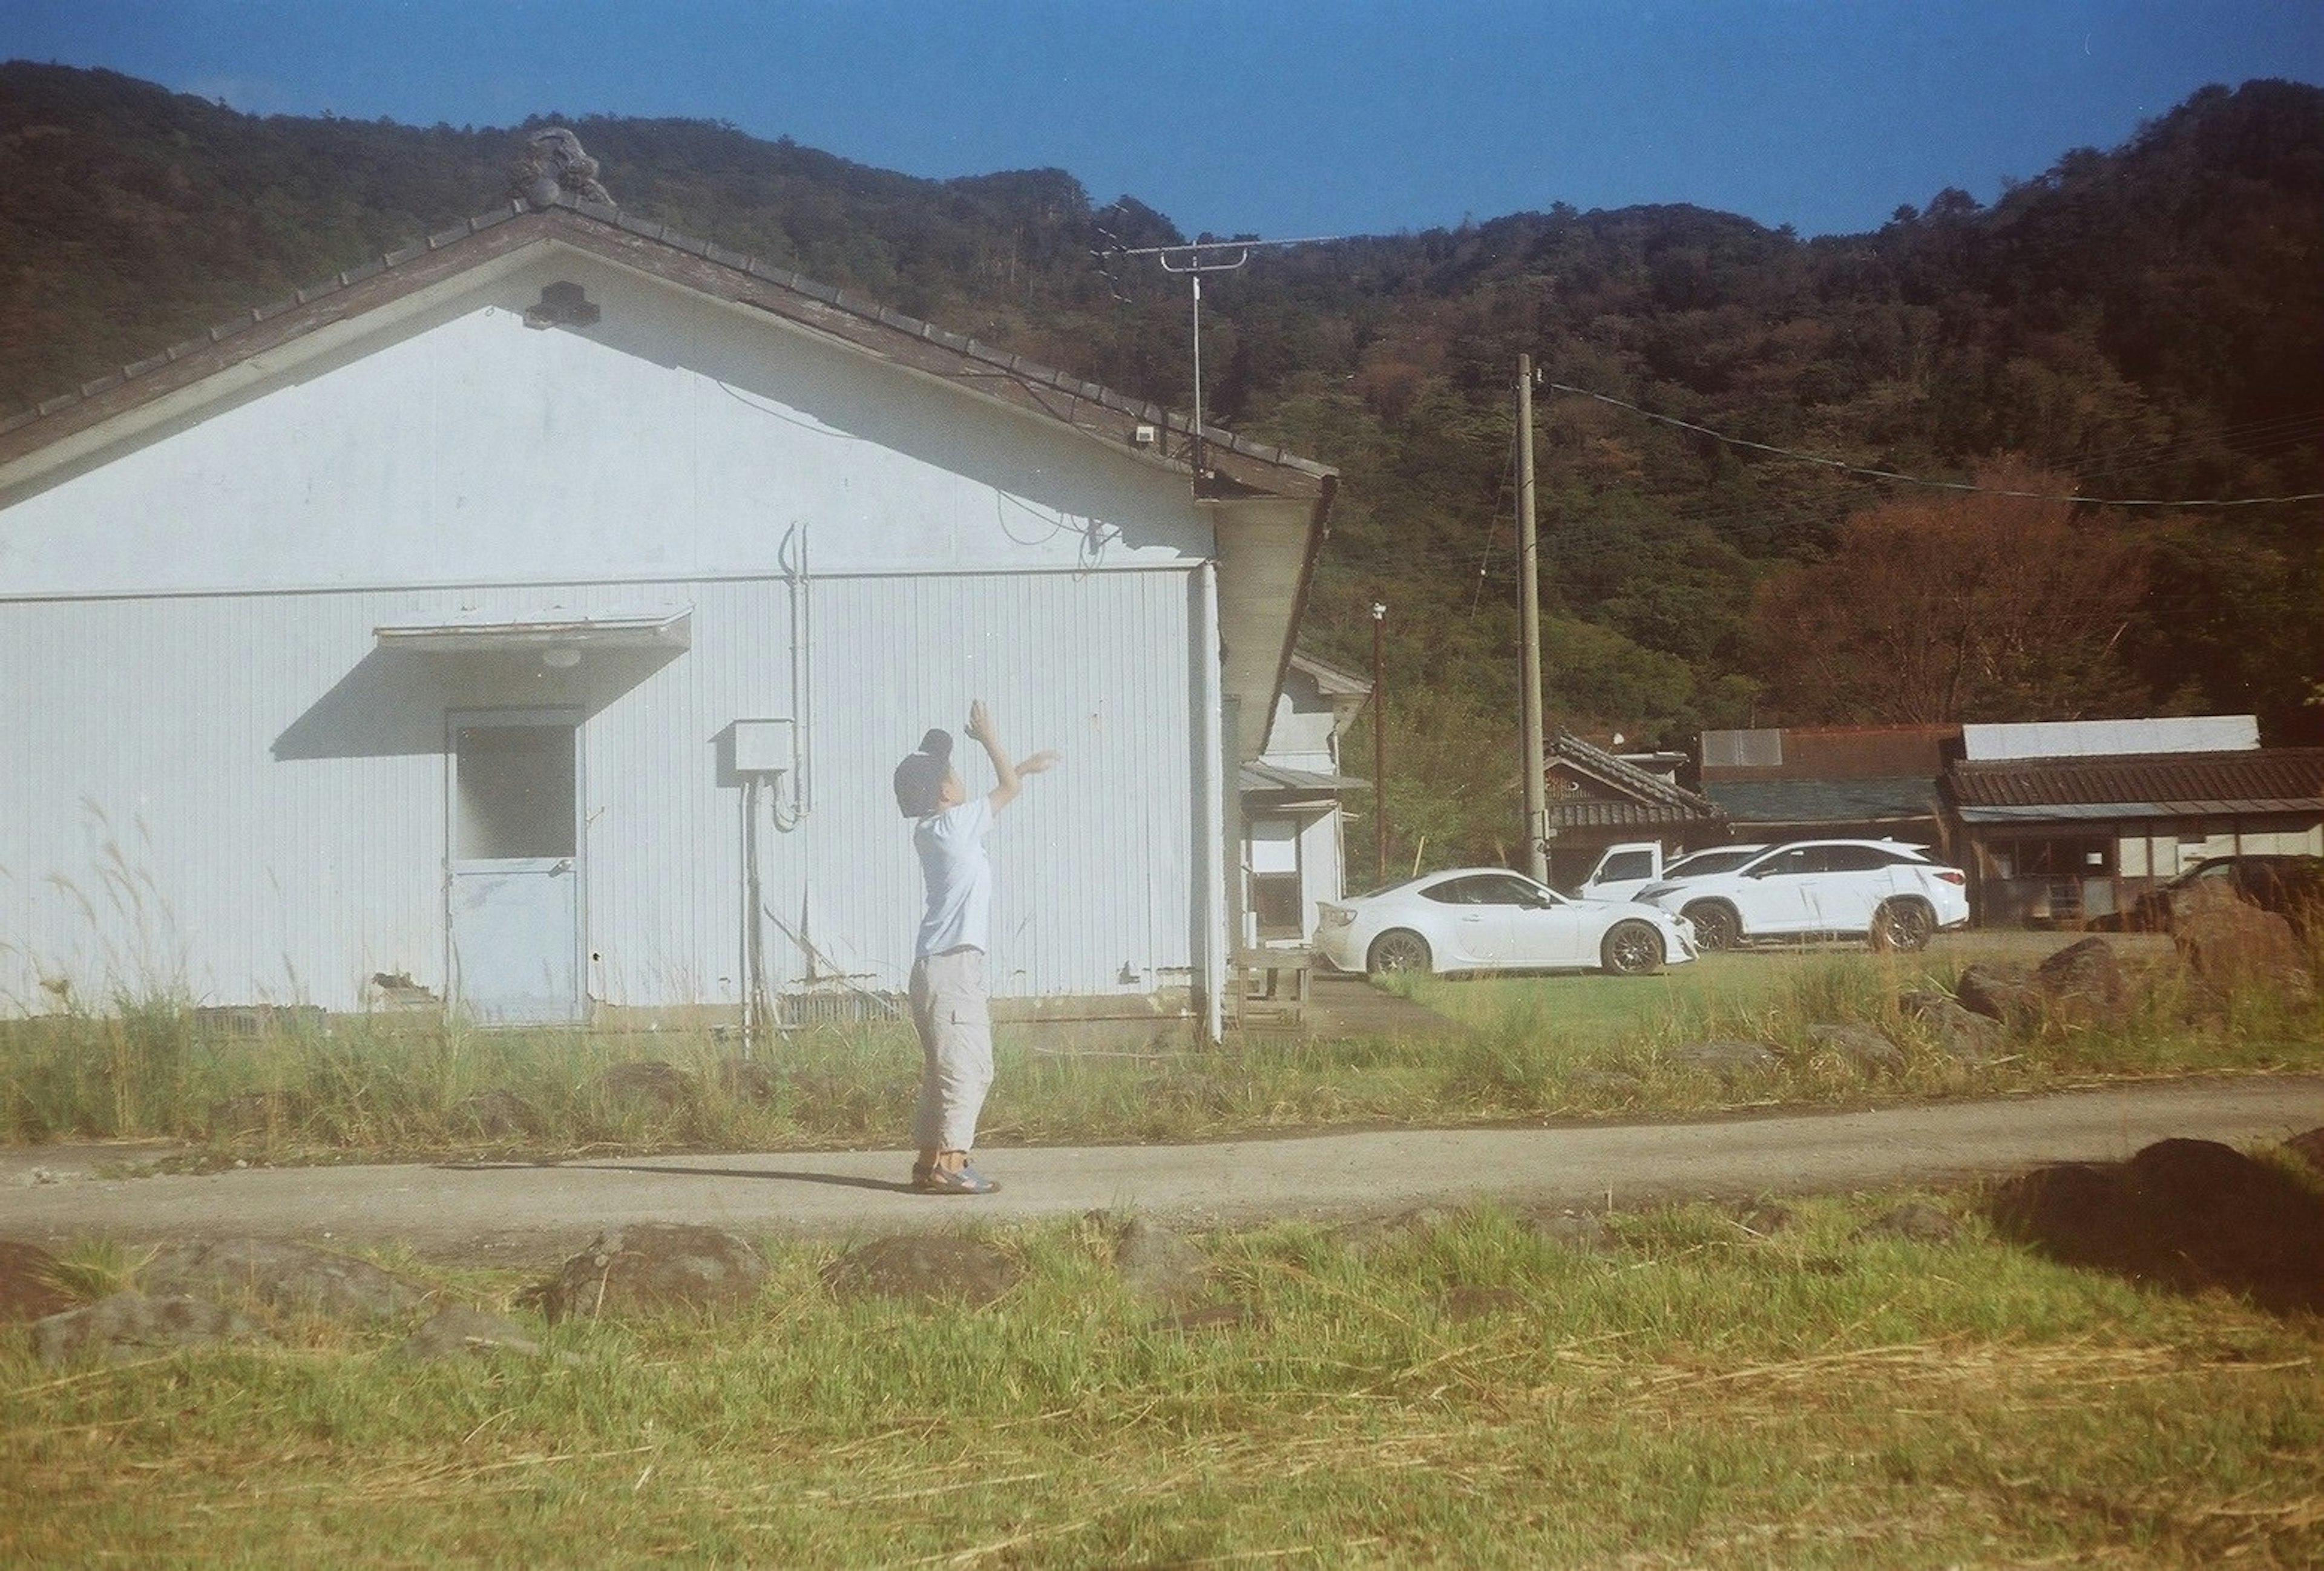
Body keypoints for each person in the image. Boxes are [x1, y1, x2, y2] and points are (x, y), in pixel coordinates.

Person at [890, 700, 1058, 1195]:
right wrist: (989, 738)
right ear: (946, 791)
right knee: (971, 1068)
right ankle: (953, 1165)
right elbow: (1007, 790)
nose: (960, 778)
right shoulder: (954, 826)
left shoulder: (937, 829)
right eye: (955, 773)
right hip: (955, 967)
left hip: (933, 968)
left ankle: (929, 1164)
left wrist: (1023, 767)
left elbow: (1005, 787)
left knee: (942, 1070)